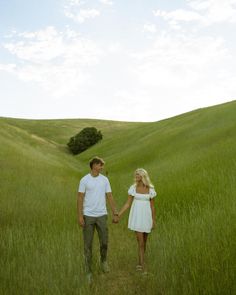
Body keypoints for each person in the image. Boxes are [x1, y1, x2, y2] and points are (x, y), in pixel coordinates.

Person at [77, 156, 119, 283]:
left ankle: (104, 261)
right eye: (100, 165)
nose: (102, 167)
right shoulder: (84, 180)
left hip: (102, 215)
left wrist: (115, 212)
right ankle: (88, 271)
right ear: (94, 165)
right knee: (87, 245)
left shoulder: (105, 180)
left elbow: (110, 196)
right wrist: (80, 216)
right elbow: (80, 198)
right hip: (88, 215)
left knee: (104, 242)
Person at [118, 168, 156, 274]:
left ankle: (140, 261)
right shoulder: (133, 188)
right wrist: (119, 215)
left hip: (147, 217)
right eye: (136, 174)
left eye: (138, 174)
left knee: (145, 241)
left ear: (143, 176)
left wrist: (153, 220)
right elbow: (127, 204)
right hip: (137, 217)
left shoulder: (150, 189)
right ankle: (142, 266)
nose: (136, 176)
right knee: (140, 242)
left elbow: (152, 206)